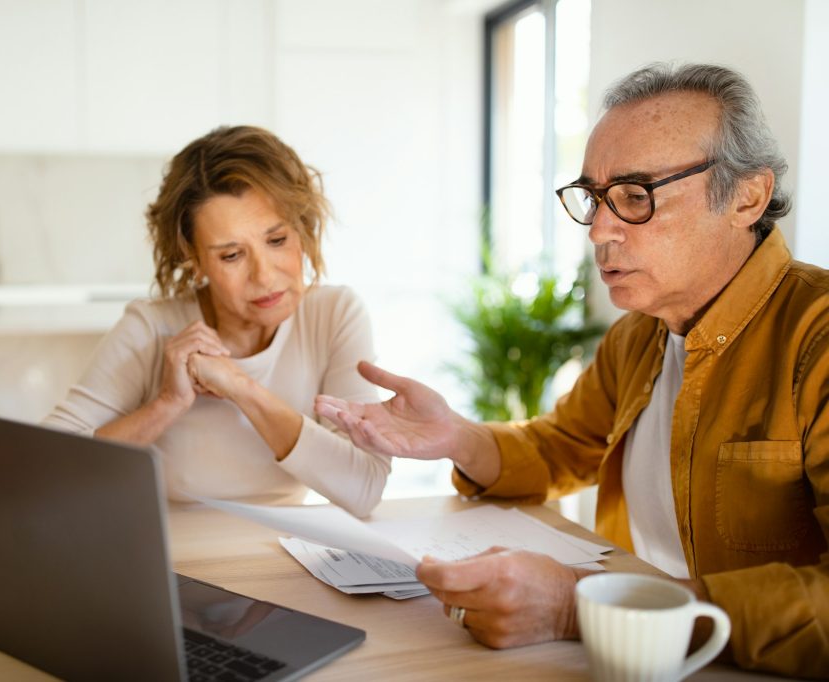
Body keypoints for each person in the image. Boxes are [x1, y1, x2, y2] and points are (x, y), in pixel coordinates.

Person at [315, 63, 828, 678]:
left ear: (747, 196)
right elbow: (564, 448)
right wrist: (457, 436)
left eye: (636, 196)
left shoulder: (816, 340)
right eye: (594, 198)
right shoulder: (637, 336)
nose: (601, 230)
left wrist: (579, 607)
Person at [46, 125, 390, 518]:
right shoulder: (151, 327)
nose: (264, 276)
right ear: (193, 259)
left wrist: (241, 387)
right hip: (176, 563)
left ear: (303, 227)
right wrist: (167, 404)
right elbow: (49, 469)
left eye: (277, 241)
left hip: (286, 556)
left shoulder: (335, 316)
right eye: (231, 256)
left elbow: (364, 488)